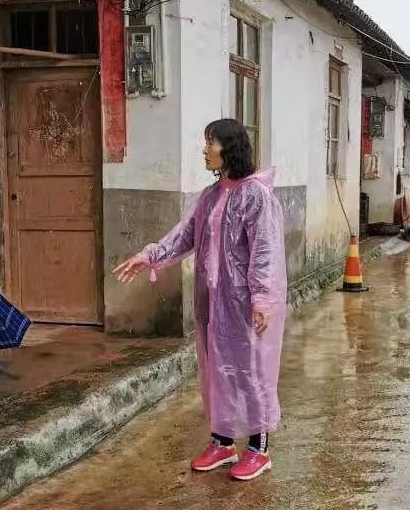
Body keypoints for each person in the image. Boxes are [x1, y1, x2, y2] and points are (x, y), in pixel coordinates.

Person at [115, 119, 286, 481]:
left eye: (210, 143)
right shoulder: (211, 196)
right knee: (216, 370)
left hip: (242, 303)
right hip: (212, 302)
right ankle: (222, 441)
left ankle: (259, 448)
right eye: (206, 143)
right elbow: (185, 236)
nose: (204, 150)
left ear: (230, 148)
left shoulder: (255, 196)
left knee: (250, 370)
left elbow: (265, 251)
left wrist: (261, 299)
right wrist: (151, 255)